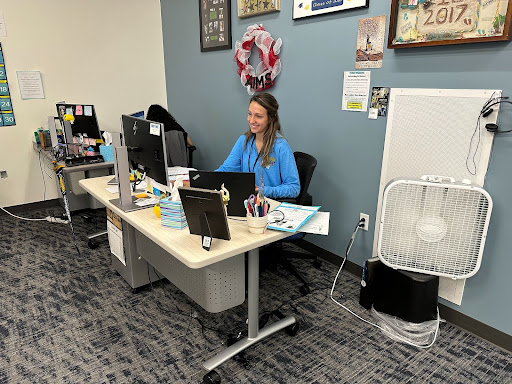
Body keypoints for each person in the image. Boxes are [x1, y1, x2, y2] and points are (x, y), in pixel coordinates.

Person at [216, 92, 300, 199]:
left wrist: (263, 190)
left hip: (270, 206)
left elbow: (294, 188)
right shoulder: (244, 141)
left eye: (258, 116)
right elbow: (225, 170)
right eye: (249, 113)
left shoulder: (281, 146)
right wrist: (203, 182)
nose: (251, 120)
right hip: (247, 203)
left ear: (271, 118)